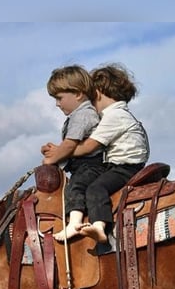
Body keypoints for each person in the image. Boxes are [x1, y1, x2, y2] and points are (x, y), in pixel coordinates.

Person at [64, 63, 149, 244]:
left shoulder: (114, 116)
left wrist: (65, 151)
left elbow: (90, 146)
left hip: (124, 167)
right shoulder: (120, 114)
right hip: (125, 165)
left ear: (99, 92)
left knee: (95, 188)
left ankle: (99, 226)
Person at [40, 65, 106, 241]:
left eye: (60, 98)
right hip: (85, 164)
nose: (57, 103)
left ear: (77, 94)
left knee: (76, 186)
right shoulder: (80, 115)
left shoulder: (82, 115)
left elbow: (69, 145)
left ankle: (74, 224)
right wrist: (54, 151)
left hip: (91, 165)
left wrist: (51, 159)